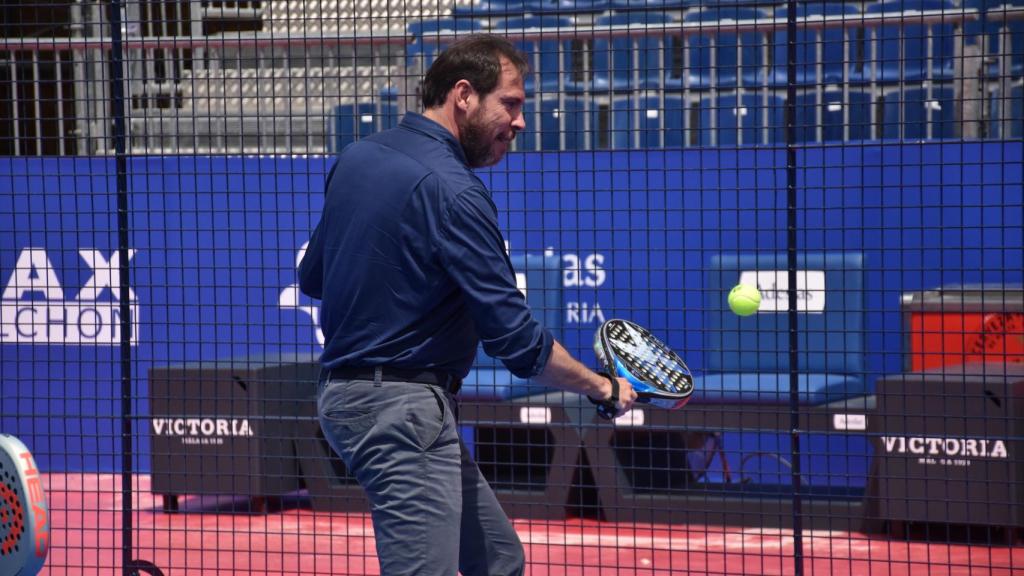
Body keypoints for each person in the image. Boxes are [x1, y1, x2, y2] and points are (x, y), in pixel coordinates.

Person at [298, 34, 636, 576]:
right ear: (463, 95)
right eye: (512, 103)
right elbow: (516, 342)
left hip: (350, 400)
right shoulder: (456, 191)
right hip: (401, 414)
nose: (520, 122)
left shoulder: (356, 158)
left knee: (500, 561)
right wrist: (603, 387)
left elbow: (311, 277)